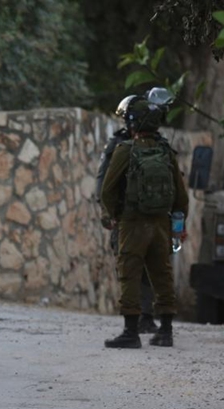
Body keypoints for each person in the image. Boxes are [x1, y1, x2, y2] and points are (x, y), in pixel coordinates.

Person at [100, 98, 188, 348]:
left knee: (130, 274)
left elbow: (107, 190)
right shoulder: (166, 152)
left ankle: (131, 333)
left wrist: (115, 215)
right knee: (162, 275)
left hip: (133, 223)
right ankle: (166, 332)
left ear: (132, 122)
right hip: (161, 224)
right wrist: (178, 227)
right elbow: (181, 197)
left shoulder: (125, 150)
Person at [96, 94, 158, 335]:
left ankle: (141, 317)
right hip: (134, 215)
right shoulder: (125, 145)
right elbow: (105, 181)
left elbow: (103, 180)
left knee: (140, 266)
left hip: (135, 216)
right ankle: (141, 315)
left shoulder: (136, 145)